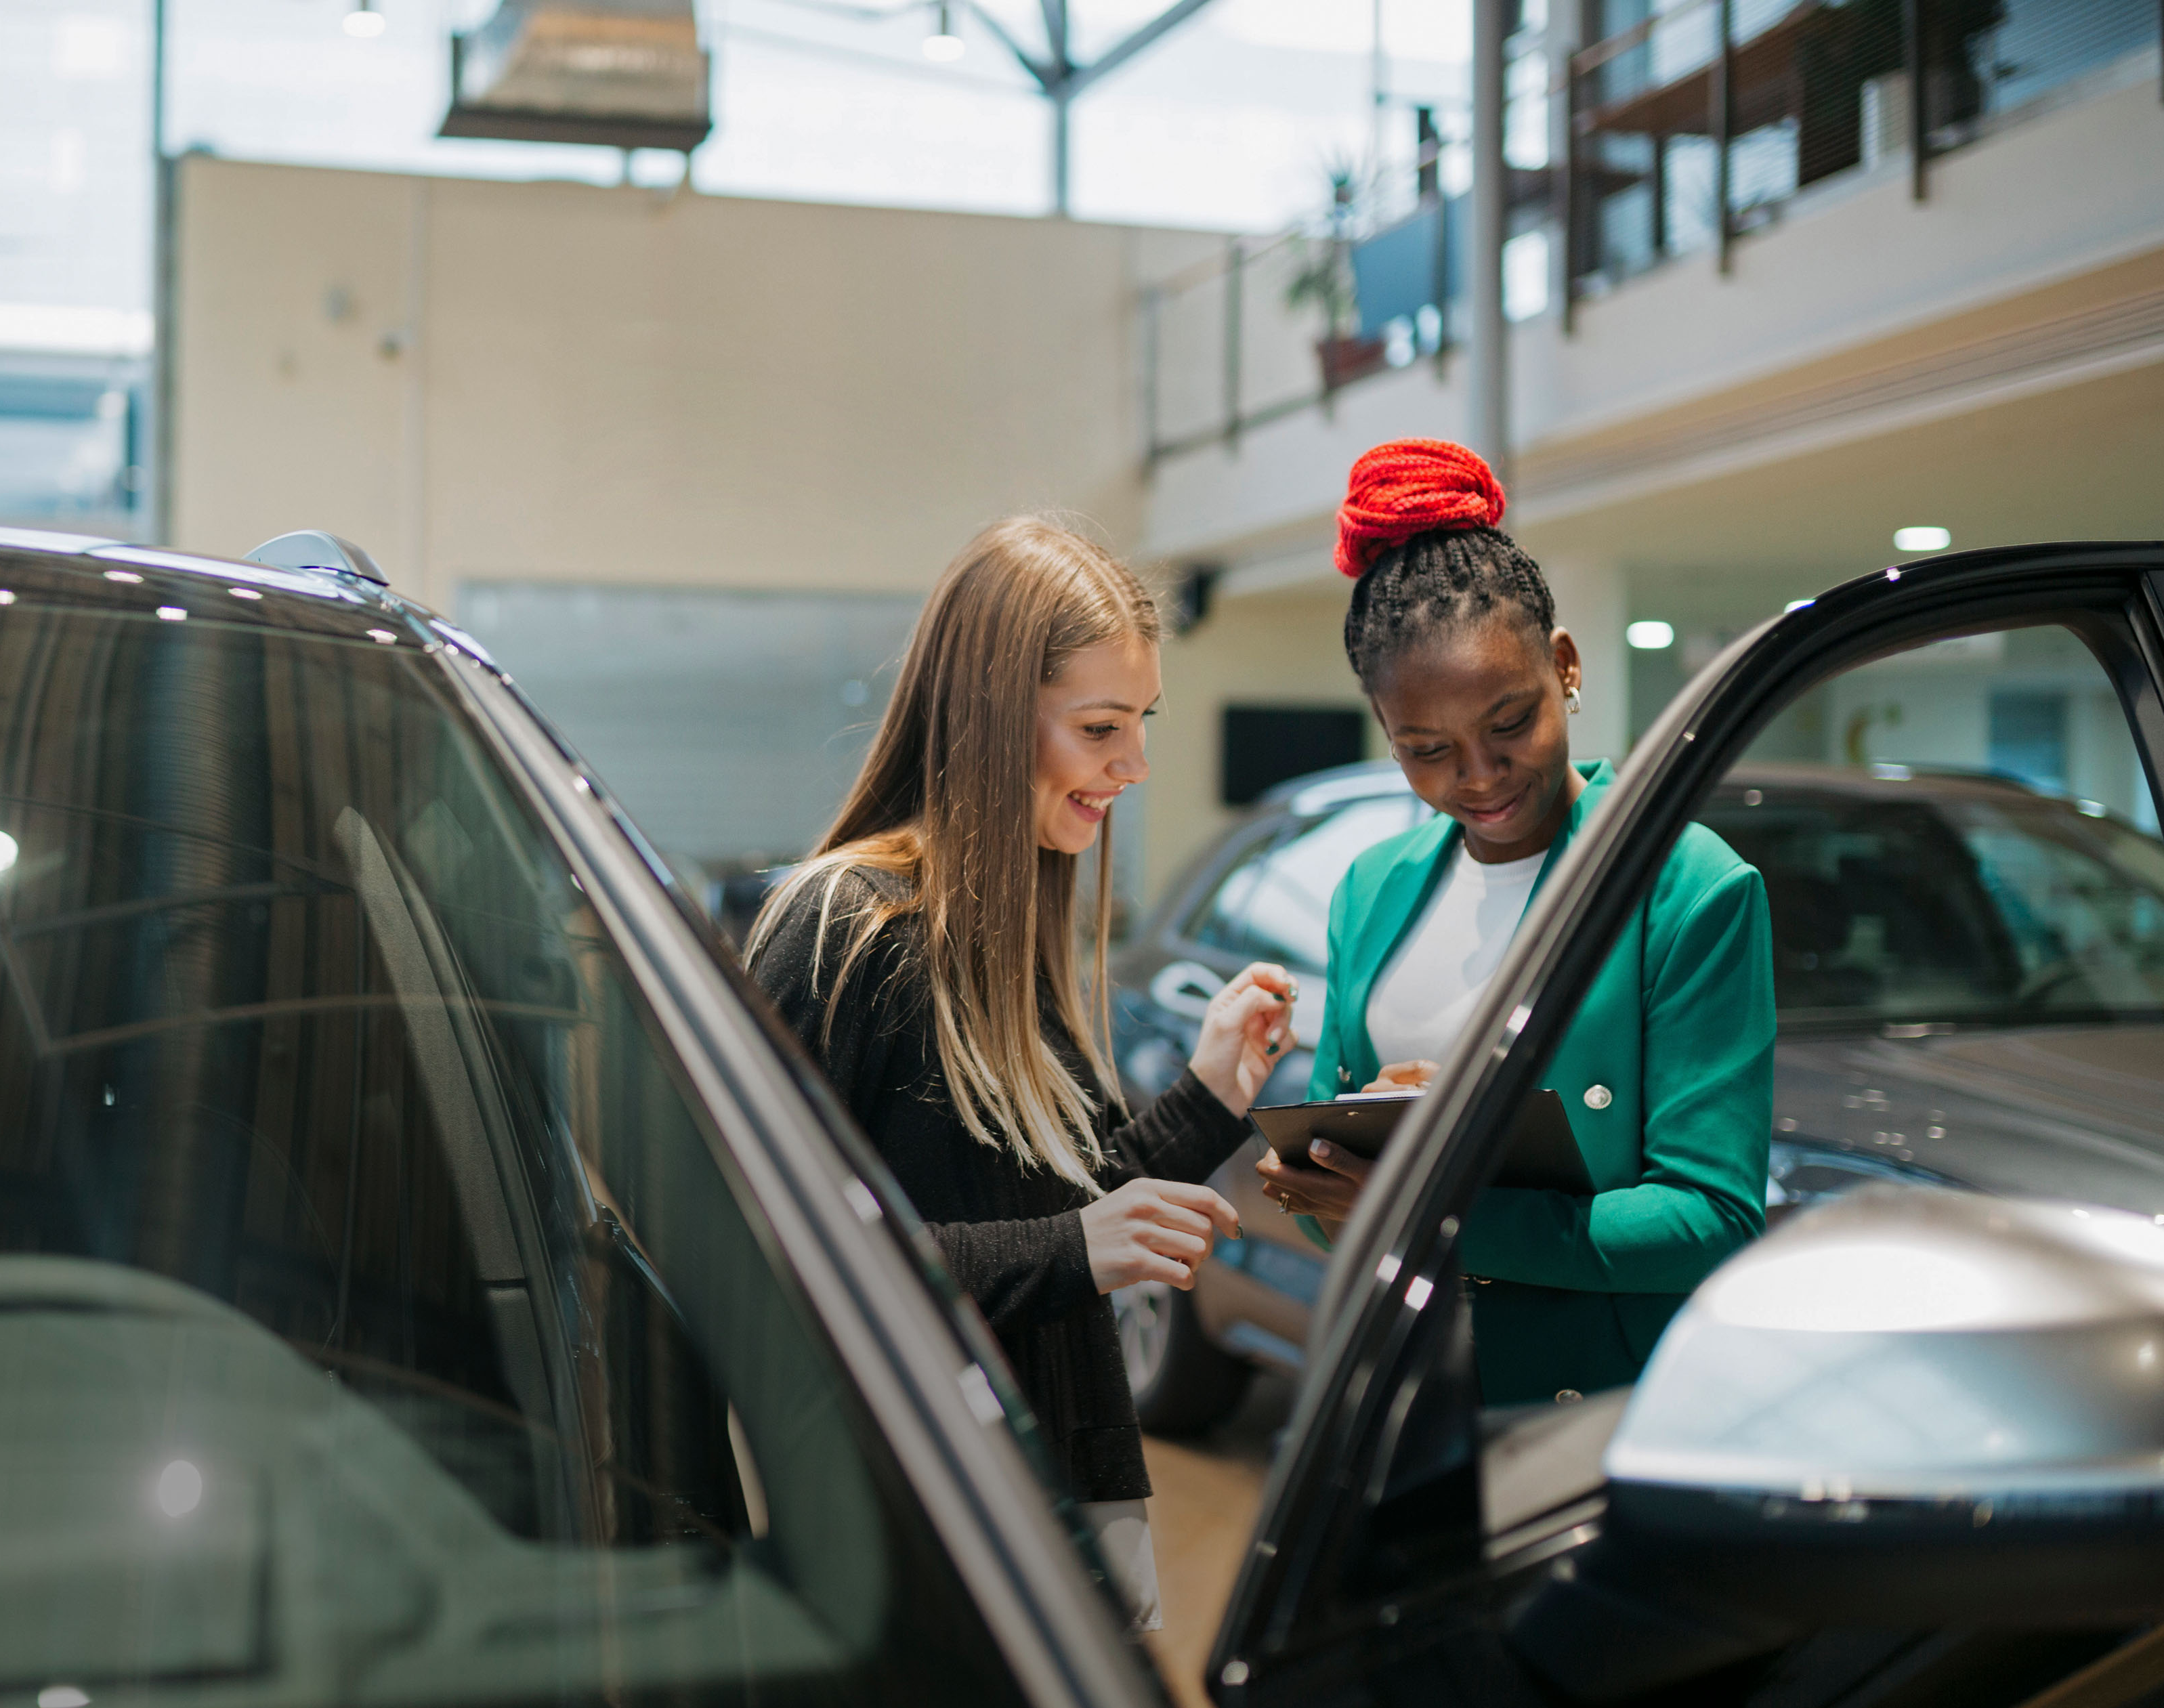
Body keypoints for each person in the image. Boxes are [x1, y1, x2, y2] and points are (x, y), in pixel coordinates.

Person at [747, 517, 1298, 1629]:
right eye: (1101, 727)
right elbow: (779, 1257)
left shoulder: (1006, 926)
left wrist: (1209, 1097)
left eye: (1141, 724)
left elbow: (1065, 1208)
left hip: (1054, 1493)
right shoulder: (842, 932)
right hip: (925, 1529)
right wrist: (1070, 1248)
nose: (1134, 767)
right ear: (993, 720)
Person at [1254, 439, 1773, 1407]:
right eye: (1426, 749)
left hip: (1590, 1405)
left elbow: (1714, 1216)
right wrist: (1347, 1165)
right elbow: (1332, 1201)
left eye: (1510, 722)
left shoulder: (1688, 887)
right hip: (1395, 1390)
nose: (1479, 777)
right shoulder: (1371, 887)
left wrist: (1432, 1207)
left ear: (1565, 667)